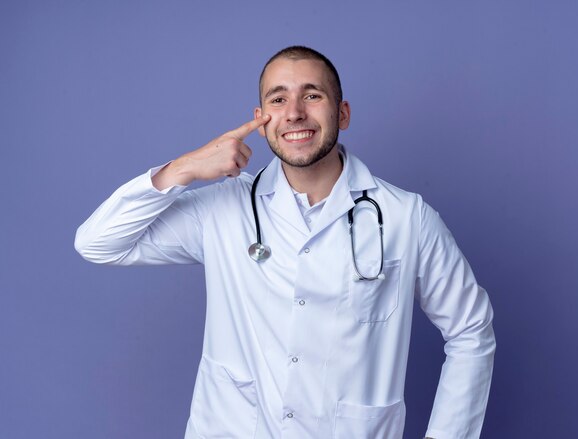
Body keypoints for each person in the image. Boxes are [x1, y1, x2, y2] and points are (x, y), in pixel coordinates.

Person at [75, 46, 495, 439]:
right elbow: (98, 243)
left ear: (342, 113)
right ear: (260, 118)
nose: (294, 113)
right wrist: (183, 169)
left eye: (312, 96)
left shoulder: (405, 217)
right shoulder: (224, 208)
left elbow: (471, 330)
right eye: (278, 100)